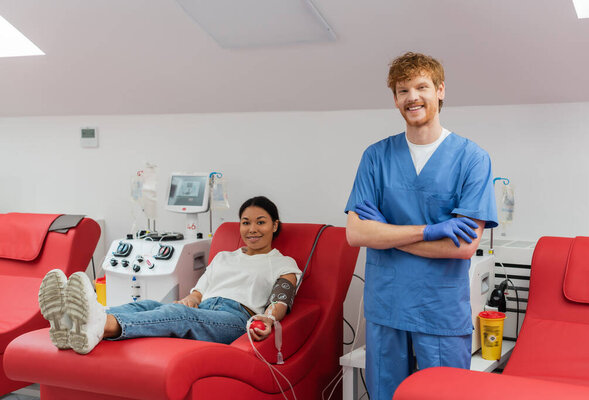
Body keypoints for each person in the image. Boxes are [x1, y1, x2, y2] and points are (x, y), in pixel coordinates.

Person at [345, 52, 498, 399]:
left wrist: (385, 232)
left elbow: (463, 246)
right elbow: (356, 234)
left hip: (439, 308)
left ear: (440, 90)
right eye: (402, 90)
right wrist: (429, 230)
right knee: (385, 394)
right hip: (387, 306)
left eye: (421, 87)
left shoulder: (472, 159)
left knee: (442, 395)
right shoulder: (376, 157)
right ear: (396, 100)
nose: (412, 97)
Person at [38, 196, 301, 354]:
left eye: (261, 221)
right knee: (148, 304)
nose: (252, 229)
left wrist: (267, 319)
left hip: (235, 318)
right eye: (246, 222)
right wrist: (190, 298)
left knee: (180, 315)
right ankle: (76, 319)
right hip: (206, 308)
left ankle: (100, 326)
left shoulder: (281, 262)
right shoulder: (224, 257)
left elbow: (281, 299)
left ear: (275, 225)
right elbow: (199, 292)